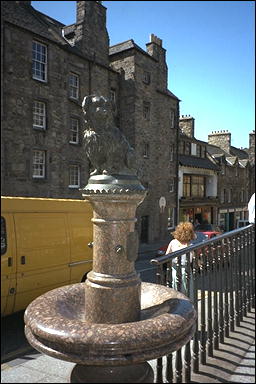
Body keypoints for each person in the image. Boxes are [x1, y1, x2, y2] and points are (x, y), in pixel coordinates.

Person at [165, 221, 196, 297]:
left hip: (175, 269)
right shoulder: (190, 245)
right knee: (187, 293)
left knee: (176, 291)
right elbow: (194, 258)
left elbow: (166, 255)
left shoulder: (173, 242)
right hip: (186, 270)